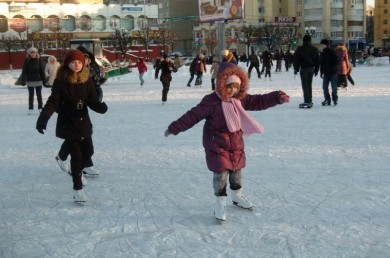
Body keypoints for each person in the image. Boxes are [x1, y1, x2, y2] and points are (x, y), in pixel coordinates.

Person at [163, 65, 290, 221]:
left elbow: (259, 101)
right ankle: (220, 202)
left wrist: (277, 97)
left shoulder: (240, 99)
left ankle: (237, 196)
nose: (232, 91)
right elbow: (193, 115)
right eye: (229, 87)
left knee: (236, 171)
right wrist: (174, 128)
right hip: (216, 144)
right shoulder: (212, 101)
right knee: (221, 174)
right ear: (222, 84)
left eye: (236, 87)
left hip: (235, 143)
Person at [36, 49, 108, 203]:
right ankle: (78, 189)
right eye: (73, 62)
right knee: (76, 156)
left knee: (89, 151)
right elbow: (53, 102)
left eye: (79, 62)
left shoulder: (86, 79)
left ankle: (76, 172)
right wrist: (43, 119)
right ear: (67, 64)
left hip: (83, 122)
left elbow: (91, 99)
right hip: (68, 123)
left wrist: (100, 107)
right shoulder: (61, 81)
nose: (76, 65)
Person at [54, 47, 104, 177]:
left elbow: (97, 88)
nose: (82, 61)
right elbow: (58, 97)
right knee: (78, 137)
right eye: (82, 58)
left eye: (86, 58)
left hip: (84, 109)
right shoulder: (66, 75)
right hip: (71, 112)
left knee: (81, 136)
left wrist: (96, 103)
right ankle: (86, 165)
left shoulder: (91, 72)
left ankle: (63, 156)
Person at [293, 34, 319, 108]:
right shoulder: (314, 49)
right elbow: (317, 61)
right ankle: (309, 100)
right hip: (311, 69)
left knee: (305, 85)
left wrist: (296, 68)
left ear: (303, 40)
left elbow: (296, 59)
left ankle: (307, 101)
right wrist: (316, 70)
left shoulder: (300, 49)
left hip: (304, 69)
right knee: (309, 84)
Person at [20, 47, 46, 115]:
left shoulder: (39, 60)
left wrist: (44, 80)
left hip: (38, 79)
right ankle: (30, 108)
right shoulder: (27, 61)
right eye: (32, 53)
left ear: (36, 53)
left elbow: (42, 70)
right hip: (30, 80)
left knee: (39, 95)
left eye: (34, 52)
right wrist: (23, 80)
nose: (33, 54)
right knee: (31, 95)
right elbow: (24, 71)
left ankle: (40, 107)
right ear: (29, 54)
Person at [319, 39, 339, 106]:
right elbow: (321, 63)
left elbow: (336, 61)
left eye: (322, 44)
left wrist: (333, 68)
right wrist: (321, 72)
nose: (321, 45)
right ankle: (327, 99)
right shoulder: (322, 53)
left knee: (334, 87)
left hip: (333, 73)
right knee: (324, 87)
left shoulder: (332, 52)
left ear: (325, 45)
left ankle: (335, 99)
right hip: (326, 73)